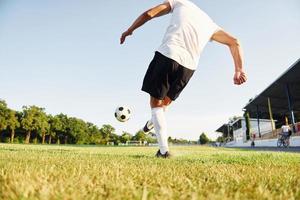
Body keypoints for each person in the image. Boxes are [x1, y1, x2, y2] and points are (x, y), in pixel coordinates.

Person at [120, 0, 247, 158]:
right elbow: (234, 42)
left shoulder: (180, 2)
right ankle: (152, 122)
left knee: (156, 104)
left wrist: (130, 30)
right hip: (188, 68)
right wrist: (239, 69)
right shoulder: (210, 24)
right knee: (164, 105)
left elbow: (149, 13)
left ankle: (164, 151)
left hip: (168, 54)